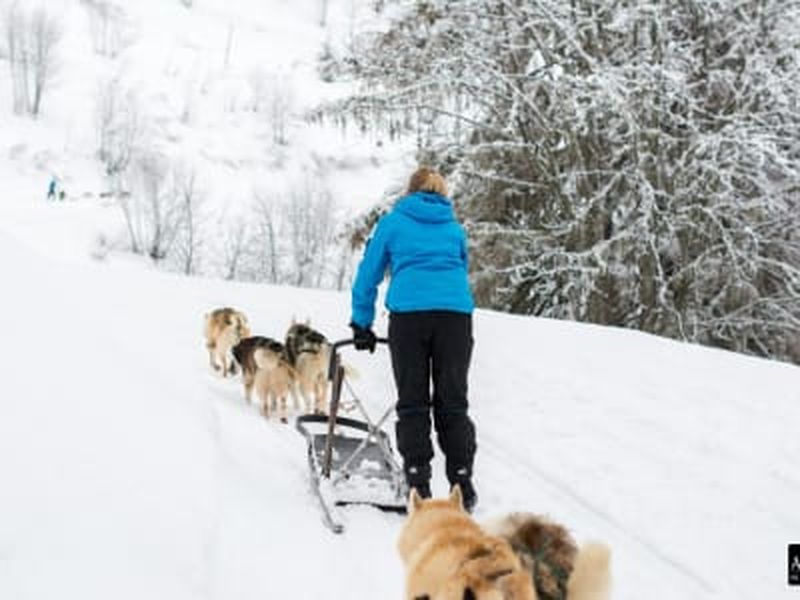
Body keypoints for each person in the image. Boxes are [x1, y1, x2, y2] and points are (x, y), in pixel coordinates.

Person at [349, 167, 478, 511]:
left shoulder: (393, 222)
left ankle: (418, 481)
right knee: (453, 400)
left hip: (410, 318)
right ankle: (462, 480)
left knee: (413, 400)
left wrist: (361, 323)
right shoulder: (454, 228)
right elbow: (461, 268)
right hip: (455, 318)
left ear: (410, 190)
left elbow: (368, 274)